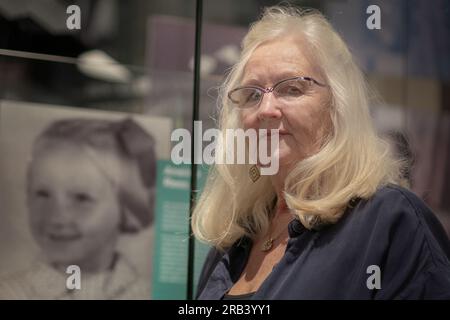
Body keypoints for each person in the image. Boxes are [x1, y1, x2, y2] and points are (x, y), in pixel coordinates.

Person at [193, 6, 450, 299]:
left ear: (337, 106)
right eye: (252, 94)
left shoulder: (390, 221)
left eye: (291, 89)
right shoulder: (236, 238)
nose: (265, 109)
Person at [0, 117, 156, 299]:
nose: (57, 217)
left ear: (126, 208)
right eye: (42, 194)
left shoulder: (149, 294)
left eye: (82, 198)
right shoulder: (10, 292)